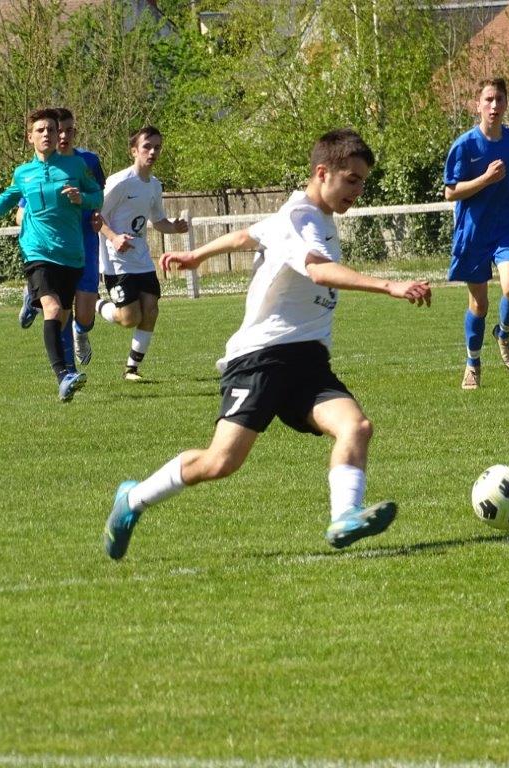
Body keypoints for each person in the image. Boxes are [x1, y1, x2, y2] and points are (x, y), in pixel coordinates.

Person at [102, 128, 432, 560]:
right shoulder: (301, 220)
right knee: (221, 462)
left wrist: (196, 256)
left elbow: (247, 236)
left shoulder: (303, 216)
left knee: (356, 427)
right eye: (351, 180)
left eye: (362, 182)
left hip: (309, 359)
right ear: (322, 173)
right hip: (262, 357)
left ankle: (344, 518)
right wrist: (390, 285)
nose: (357, 190)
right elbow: (318, 270)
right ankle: (132, 499)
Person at [0, 107, 103, 402]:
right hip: (36, 251)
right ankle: (63, 375)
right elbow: (10, 194)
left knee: (62, 315)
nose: (47, 134)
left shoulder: (75, 166)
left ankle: (66, 374)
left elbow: (97, 195)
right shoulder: (23, 173)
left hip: (71, 253)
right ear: (30, 137)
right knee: (52, 308)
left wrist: (82, 198)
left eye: (51, 129)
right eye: (41, 130)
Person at [444, 77, 509, 390]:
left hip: (505, 228)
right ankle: (472, 363)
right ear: (478, 105)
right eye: (488, 100)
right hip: (473, 233)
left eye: (499, 99)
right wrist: (485, 179)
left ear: (506, 104)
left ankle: (504, 333)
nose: (494, 105)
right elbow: (450, 192)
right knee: (479, 305)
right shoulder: (464, 145)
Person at [17, 108, 106, 374]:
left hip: (85, 242)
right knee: (58, 309)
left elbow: (98, 196)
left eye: (68, 130)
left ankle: (82, 331)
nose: (63, 136)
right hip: (53, 248)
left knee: (85, 313)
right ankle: (67, 371)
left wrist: (97, 215)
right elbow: (21, 208)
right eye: (60, 131)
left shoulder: (87, 162)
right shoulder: (38, 169)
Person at [95, 126, 188, 381]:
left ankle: (132, 369)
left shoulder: (155, 186)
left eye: (157, 147)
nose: (153, 152)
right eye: (147, 146)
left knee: (151, 310)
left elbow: (158, 221)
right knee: (129, 318)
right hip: (116, 262)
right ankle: (95, 304)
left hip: (142, 260)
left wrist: (174, 227)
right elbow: (96, 215)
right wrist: (114, 238)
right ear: (134, 151)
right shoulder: (120, 182)